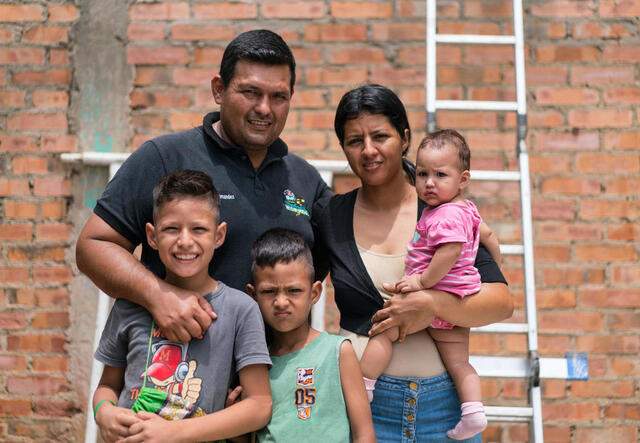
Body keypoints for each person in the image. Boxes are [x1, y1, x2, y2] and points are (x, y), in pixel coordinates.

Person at [76, 29, 332, 343]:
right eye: (250, 92)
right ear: (219, 89)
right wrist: (159, 296)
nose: (264, 108)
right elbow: (94, 246)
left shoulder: (304, 178)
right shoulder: (165, 156)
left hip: (273, 381)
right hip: (179, 374)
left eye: (278, 96)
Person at [316, 84, 513, 442]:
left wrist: (433, 304)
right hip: (362, 411)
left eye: (380, 136)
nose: (369, 150)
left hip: (443, 411)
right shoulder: (330, 216)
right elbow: (294, 294)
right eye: (354, 141)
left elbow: (501, 302)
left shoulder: (444, 208)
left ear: (404, 138)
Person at [92, 170, 272, 443]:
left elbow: (260, 405)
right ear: (152, 236)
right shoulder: (130, 304)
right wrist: (103, 412)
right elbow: (107, 385)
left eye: (198, 229)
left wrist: (172, 433)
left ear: (219, 235)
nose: (185, 241)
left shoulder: (241, 309)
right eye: (171, 229)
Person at [359, 129, 502, 440]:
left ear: (463, 179)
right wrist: (495, 265)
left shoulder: (443, 215)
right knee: (460, 364)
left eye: (440, 174)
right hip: (458, 300)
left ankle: (365, 386)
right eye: (422, 173)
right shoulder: (468, 210)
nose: (429, 182)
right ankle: (474, 410)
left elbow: (449, 250)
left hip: (432, 291)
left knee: (386, 330)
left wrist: (421, 282)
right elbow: (489, 238)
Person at [245, 228, 375, 443]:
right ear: (253, 295)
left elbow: (365, 435)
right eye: (269, 292)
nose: (281, 302)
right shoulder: (256, 362)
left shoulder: (338, 351)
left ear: (314, 293)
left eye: (294, 291)